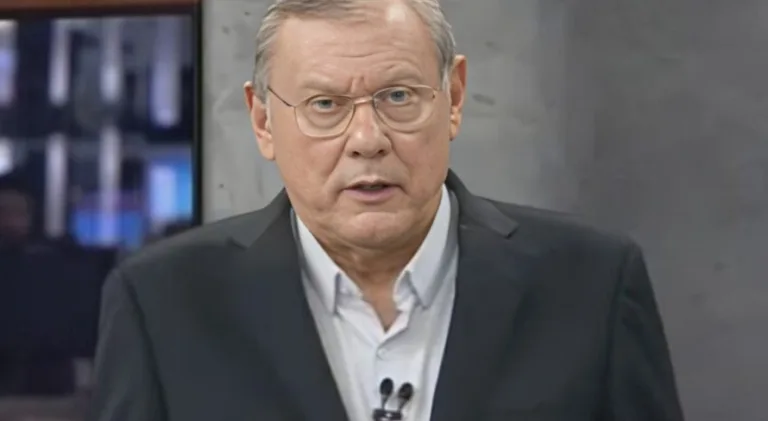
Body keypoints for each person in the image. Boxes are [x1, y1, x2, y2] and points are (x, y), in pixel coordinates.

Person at [88, 1, 684, 420]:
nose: (367, 139)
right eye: (325, 105)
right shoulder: (163, 304)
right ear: (263, 121)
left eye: (398, 96)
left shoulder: (592, 285)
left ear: (453, 97)